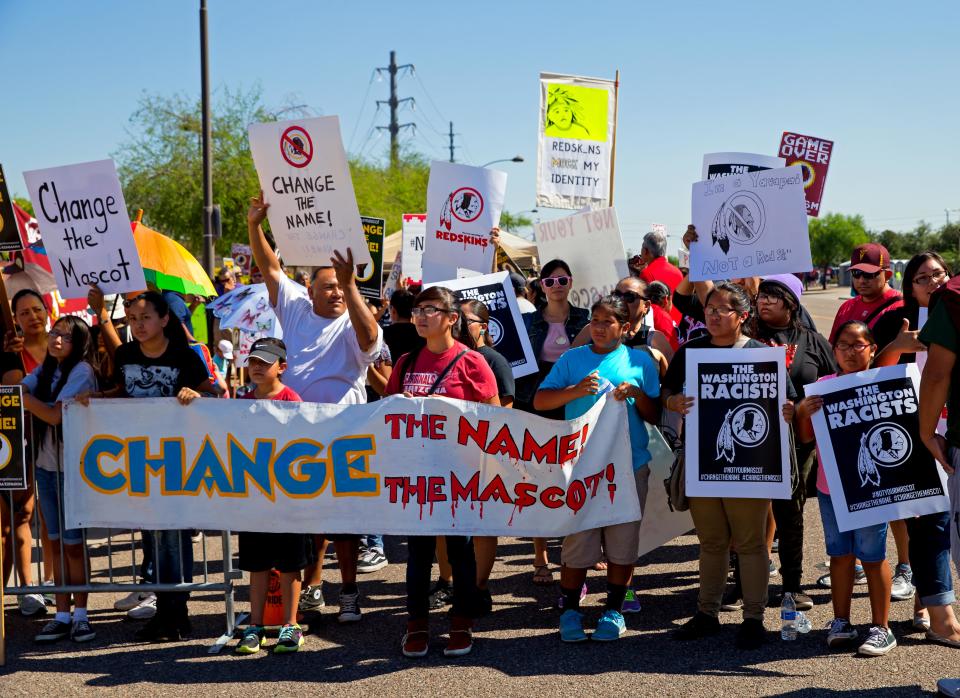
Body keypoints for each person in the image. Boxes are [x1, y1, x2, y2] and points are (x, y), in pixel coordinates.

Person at [247, 191, 383, 623]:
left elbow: (369, 339)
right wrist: (255, 225)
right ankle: (311, 587)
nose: (336, 293)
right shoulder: (296, 307)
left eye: (340, 287)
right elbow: (271, 267)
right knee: (304, 517)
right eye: (329, 286)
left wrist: (352, 286)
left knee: (343, 520)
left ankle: (349, 593)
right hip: (295, 429)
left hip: (343, 430)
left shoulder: (353, 316)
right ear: (310, 289)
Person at [664, 282, 796, 650]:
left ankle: (754, 618)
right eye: (709, 308)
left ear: (742, 316)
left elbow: (789, 400)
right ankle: (707, 614)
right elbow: (667, 391)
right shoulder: (690, 352)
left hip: (751, 465)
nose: (714, 314)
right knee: (712, 542)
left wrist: (788, 409)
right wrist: (673, 402)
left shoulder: (761, 353)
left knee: (752, 544)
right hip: (703, 461)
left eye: (723, 309)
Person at [79, 291, 216, 642]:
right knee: (152, 538)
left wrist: (196, 395)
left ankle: (178, 612)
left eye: (146, 317)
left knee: (175, 536)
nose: (139, 325)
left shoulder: (185, 355)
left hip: (177, 459)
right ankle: (163, 612)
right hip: (140, 461)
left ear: (165, 319)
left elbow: (213, 394)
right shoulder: (124, 354)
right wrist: (99, 399)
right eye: (133, 318)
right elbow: (125, 393)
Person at [535, 295, 660, 642]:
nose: (599, 327)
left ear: (625, 327)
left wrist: (636, 393)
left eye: (608, 321)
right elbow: (541, 400)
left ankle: (614, 610)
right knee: (577, 543)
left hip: (628, 467)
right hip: (580, 467)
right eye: (595, 319)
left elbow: (655, 415)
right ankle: (571, 610)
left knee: (623, 544)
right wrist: (573, 391)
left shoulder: (639, 361)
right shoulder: (572, 359)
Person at [386, 286, 499, 658]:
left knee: (460, 551)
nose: (420, 316)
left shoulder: (472, 363)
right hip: (416, 473)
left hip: (459, 473)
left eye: (430, 309)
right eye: (418, 309)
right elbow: (387, 415)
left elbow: (494, 419)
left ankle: (461, 623)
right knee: (419, 552)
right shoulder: (405, 362)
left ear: (452, 319)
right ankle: (416, 624)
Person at [795, 321, 897, 656]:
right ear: (833, 349)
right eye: (842, 345)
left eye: (857, 345)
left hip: (870, 489)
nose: (850, 352)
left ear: (871, 348)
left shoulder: (882, 383)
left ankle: (882, 628)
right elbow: (807, 438)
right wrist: (802, 414)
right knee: (839, 556)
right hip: (830, 488)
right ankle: (841, 621)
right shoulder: (822, 386)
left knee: (872, 556)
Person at [873, 252, 953, 613]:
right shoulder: (894, 320)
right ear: (909, 286)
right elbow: (869, 374)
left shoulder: (956, 309)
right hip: (916, 432)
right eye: (922, 277)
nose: (933, 281)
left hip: (953, 429)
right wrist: (896, 347)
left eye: (938, 273)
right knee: (927, 521)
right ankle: (928, 608)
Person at [751, 274, 836, 612]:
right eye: (760, 296)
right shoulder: (745, 339)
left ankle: (791, 586)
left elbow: (834, 383)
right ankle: (744, 585)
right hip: (752, 443)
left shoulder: (813, 342)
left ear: (791, 303)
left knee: (789, 514)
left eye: (774, 296)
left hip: (798, 443)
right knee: (749, 517)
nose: (764, 302)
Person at [235, 337, 315, 655]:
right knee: (257, 564)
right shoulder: (242, 401)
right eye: (253, 361)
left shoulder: (292, 399)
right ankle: (255, 627)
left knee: (289, 563)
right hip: (254, 497)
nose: (256, 367)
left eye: (264, 362)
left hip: (287, 496)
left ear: (282, 366)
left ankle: (290, 624)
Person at [516, 259, 590, 585]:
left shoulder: (587, 319)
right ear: (541, 286)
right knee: (538, 478)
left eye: (563, 279)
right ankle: (540, 556)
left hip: (576, 400)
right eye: (550, 281)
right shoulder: (526, 321)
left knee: (575, 475)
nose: (557, 285)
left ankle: (577, 552)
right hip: (538, 400)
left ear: (571, 282)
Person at [25, 316, 98, 644]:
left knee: (73, 546)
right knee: (54, 543)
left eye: (65, 337)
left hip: (73, 469)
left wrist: (25, 402)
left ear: (79, 343)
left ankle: (81, 616)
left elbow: (55, 414)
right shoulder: (45, 369)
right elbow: (18, 387)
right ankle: (61, 615)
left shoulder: (82, 371)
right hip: (45, 466)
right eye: (54, 333)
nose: (56, 340)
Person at [2, 289, 56, 615]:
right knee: (21, 512)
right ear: (15, 318)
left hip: (53, 436)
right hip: (20, 436)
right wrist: (10, 357)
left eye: (37, 309)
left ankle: (52, 583)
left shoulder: (63, 345)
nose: (32, 316)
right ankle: (27, 589)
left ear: (47, 310)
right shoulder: (11, 350)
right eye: (24, 312)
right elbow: (10, 388)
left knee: (52, 515)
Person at [829, 243, 903, 343]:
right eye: (856, 273)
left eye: (869, 274)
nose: (861, 280)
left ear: (888, 275)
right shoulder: (846, 307)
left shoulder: (901, 307)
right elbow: (832, 349)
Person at [638, 230, 683, 322]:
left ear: (646, 251)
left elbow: (643, 306)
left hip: (659, 325)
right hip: (680, 325)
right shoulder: (677, 272)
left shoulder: (647, 273)